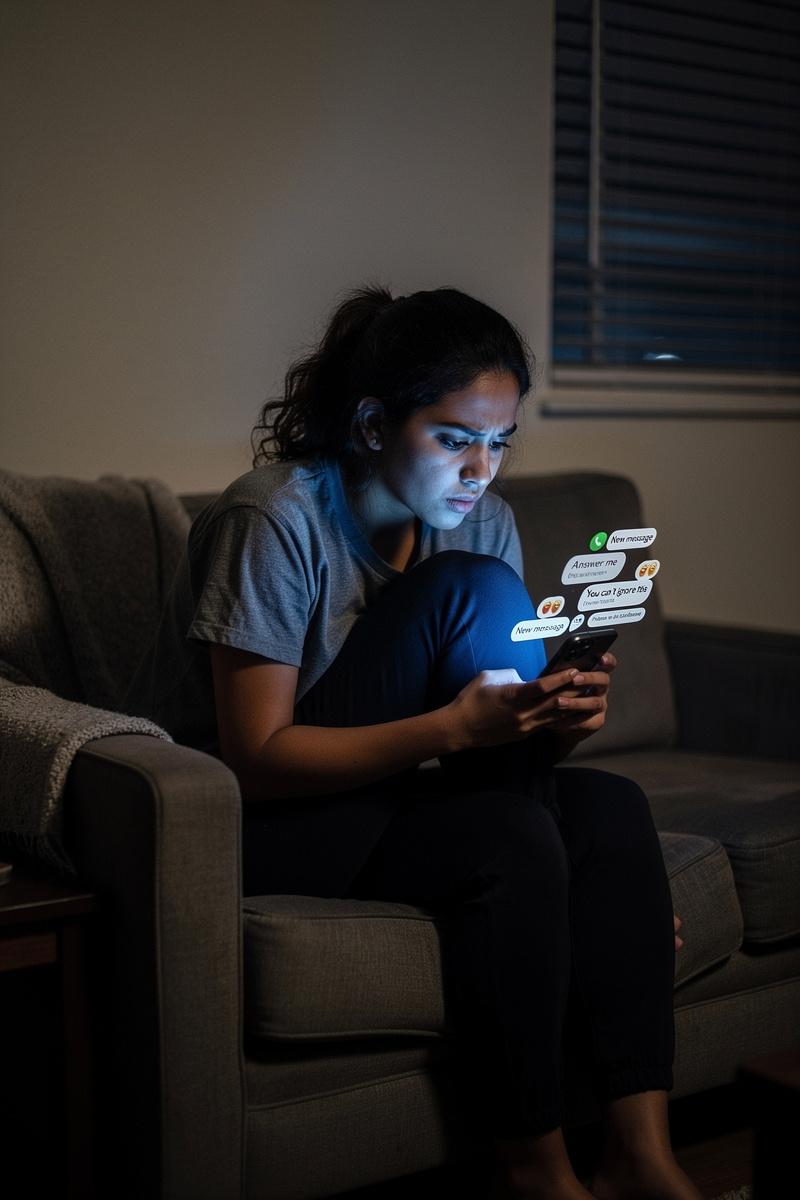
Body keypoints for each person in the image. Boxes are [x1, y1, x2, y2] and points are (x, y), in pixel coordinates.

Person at [127, 284, 699, 1200]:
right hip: (251, 825)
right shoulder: (274, 518)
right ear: (370, 424)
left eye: (500, 441)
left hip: (384, 801)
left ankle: (642, 1158)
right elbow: (255, 759)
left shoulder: (484, 519)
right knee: (466, 591)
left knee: (603, 812)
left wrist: (552, 722)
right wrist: (451, 728)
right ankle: (541, 1177)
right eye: (454, 436)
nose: (482, 470)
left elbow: (493, 769)